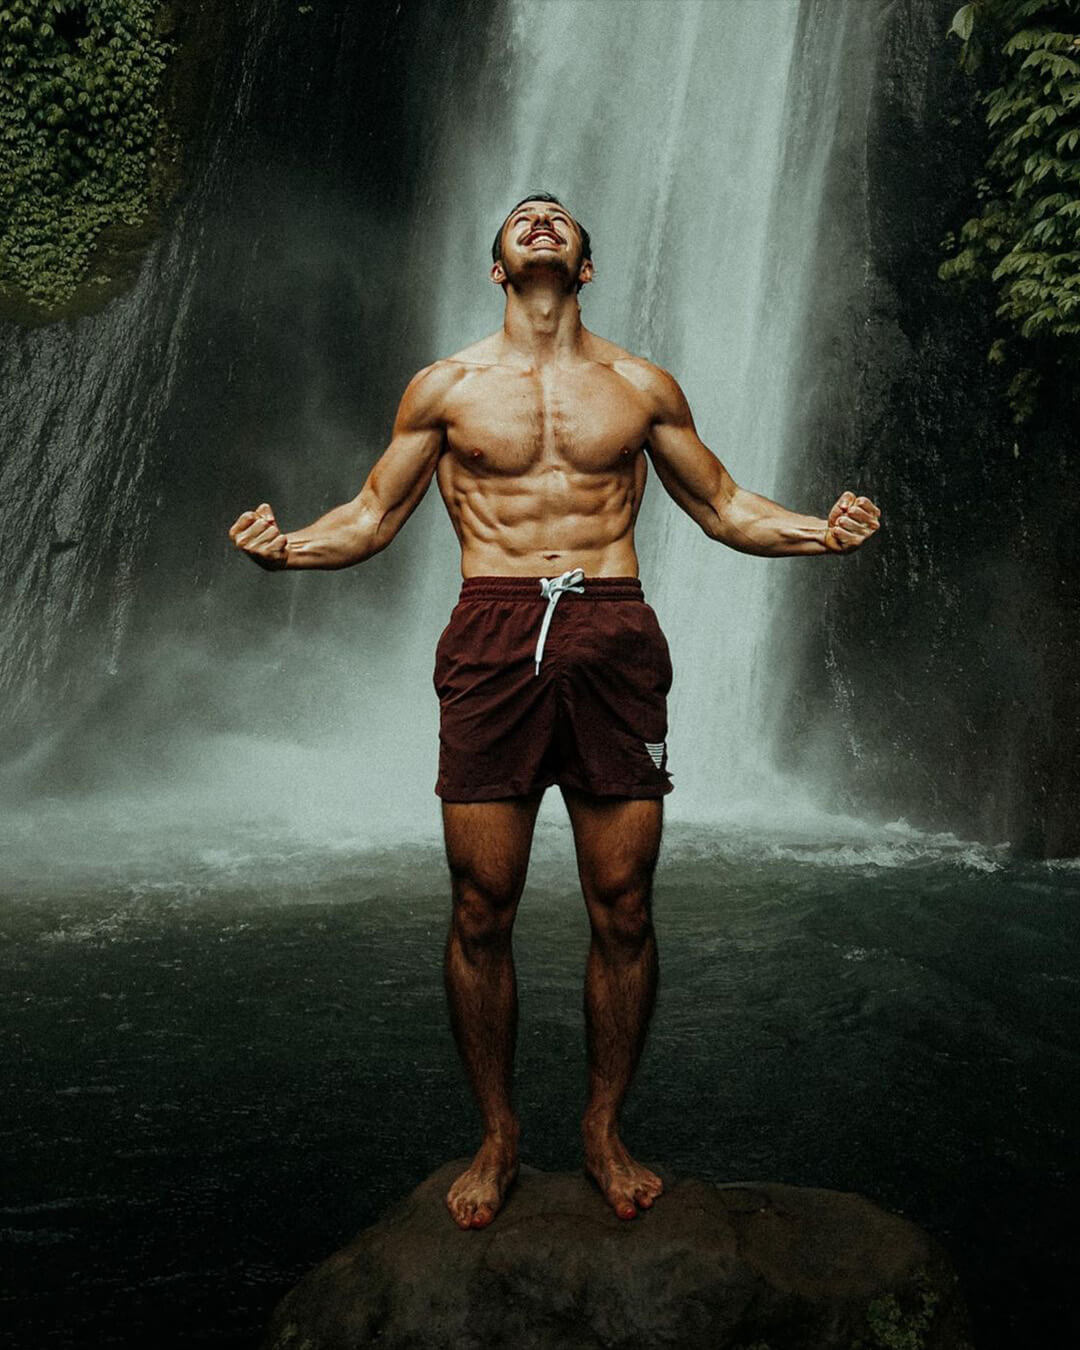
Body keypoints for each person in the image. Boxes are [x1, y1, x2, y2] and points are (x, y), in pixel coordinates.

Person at [228, 192, 881, 1232]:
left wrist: (820, 531)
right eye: (523, 216)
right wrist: (287, 549)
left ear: (584, 267)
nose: (540, 219)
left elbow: (720, 504)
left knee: (623, 904)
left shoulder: (639, 385)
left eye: (560, 218)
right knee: (481, 905)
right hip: (491, 631)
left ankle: (604, 1129)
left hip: (612, 629)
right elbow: (368, 514)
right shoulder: (445, 388)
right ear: (496, 268)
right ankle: (498, 1133)